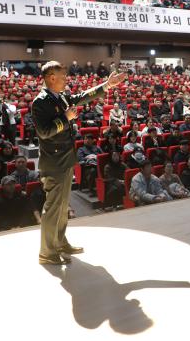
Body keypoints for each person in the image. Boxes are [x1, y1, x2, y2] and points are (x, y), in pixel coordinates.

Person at [32, 60, 126, 265]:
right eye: (63, 77)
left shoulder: (59, 97)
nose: (66, 80)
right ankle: (47, 252)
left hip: (66, 159)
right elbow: (44, 132)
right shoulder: (40, 102)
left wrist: (107, 85)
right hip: (54, 162)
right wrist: (65, 118)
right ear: (51, 78)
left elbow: (82, 97)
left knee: (63, 206)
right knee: (53, 207)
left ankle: (60, 242)